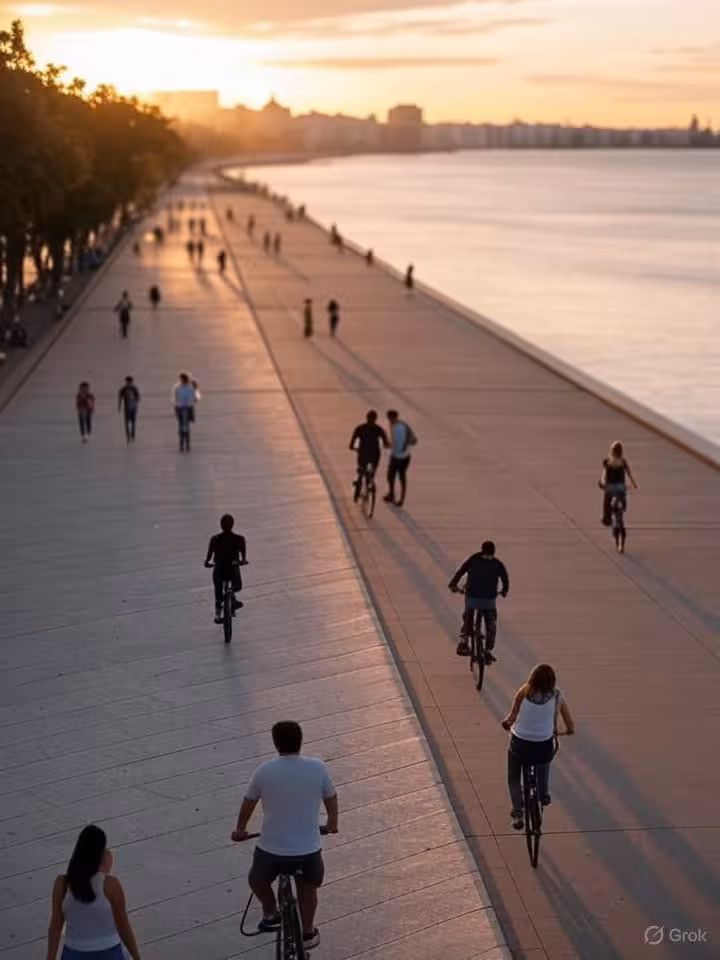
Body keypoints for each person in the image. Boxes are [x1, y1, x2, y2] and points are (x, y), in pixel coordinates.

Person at [232, 721, 338, 951]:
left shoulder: (264, 771)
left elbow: (249, 802)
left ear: (275, 743)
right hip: (308, 851)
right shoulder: (317, 767)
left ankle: (271, 912)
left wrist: (240, 830)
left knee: (257, 880)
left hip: (272, 850)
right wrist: (332, 823)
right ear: (300, 740)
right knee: (309, 888)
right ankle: (308, 932)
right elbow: (331, 797)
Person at [46, 825, 143, 960]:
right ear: (100, 854)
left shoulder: (62, 884)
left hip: (74, 952)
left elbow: (55, 928)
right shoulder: (111, 885)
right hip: (108, 952)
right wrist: (137, 957)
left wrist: (50, 958)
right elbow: (123, 927)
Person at [501, 665, 575, 831]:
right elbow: (570, 725)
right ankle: (543, 793)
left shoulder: (524, 691)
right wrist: (566, 732)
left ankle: (518, 813)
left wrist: (507, 724)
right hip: (543, 745)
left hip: (520, 743)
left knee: (513, 777)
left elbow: (512, 716)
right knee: (545, 758)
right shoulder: (557, 695)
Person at [448, 541, 509, 661]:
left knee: (469, 618)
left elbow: (461, 571)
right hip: (486, 600)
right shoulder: (496, 563)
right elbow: (505, 578)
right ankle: (486, 651)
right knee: (490, 624)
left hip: (475, 598)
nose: (489, 557)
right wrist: (504, 591)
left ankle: (465, 642)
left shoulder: (475, 559)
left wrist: (453, 585)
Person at [204, 513, 247, 623]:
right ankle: (232, 598)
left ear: (221, 525)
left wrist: (207, 562)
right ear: (233, 525)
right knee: (236, 586)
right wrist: (243, 560)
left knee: (218, 591)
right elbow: (243, 554)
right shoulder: (239, 539)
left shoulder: (215, 539)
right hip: (232, 569)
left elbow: (209, 555)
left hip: (219, 570)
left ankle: (218, 615)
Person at [349, 410, 389, 502]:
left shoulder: (360, 428)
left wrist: (353, 447)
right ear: (376, 419)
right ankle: (368, 487)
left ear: (366, 417)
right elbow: (385, 442)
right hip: (374, 455)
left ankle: (358, 490)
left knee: (361, 470)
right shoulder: (378, 429)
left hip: (363, 454)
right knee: (370, 473)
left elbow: (351, 444)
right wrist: (386, 445)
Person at [599, 440, 637, 527]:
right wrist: (634, 484)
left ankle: (607, 518)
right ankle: (622, 506)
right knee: (622, 496)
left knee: (607, 500)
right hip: (620, 487)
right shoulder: (623, 462)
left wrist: (602, 483)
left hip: (610, 487)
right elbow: (629, 474)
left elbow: (604, 476)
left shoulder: (607, 462)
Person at [383, 410, 417, 508]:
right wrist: (390, 445)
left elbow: (414, 439)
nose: (390, 420)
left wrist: (405, 445)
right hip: (394, 455)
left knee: (401, 477)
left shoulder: (403, 426)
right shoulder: (392, 426)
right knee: (390, 476)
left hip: (403, 457)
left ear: (395, 417)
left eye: (391, 418)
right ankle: (391, 494)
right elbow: (394, 441)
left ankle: (401, 499)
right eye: (389, 419)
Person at [173, 372, 195, 452]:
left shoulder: (190, 388)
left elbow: (191, 399)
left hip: (187, 409)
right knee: (180, 427)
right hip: (180, 409)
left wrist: (189, 407)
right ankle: (181, 444)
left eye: (182, 379)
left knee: (187, 427)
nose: (181, 380)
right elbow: (176, 398)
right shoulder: (177, 388)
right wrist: (176, 408)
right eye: (180, 379)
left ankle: (187, 444)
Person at [118, 376, 140, 443]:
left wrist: (135, 402)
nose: (129, 383)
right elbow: (120, 398)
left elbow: (138, 398)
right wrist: (119, 406)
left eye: (130, 382)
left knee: (133, 423)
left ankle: (132, 435)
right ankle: (128, 436)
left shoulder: (134, 389)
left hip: (133, 408)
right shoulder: (123, 389)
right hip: (126, 408)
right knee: (127, 423)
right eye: (128, 382)